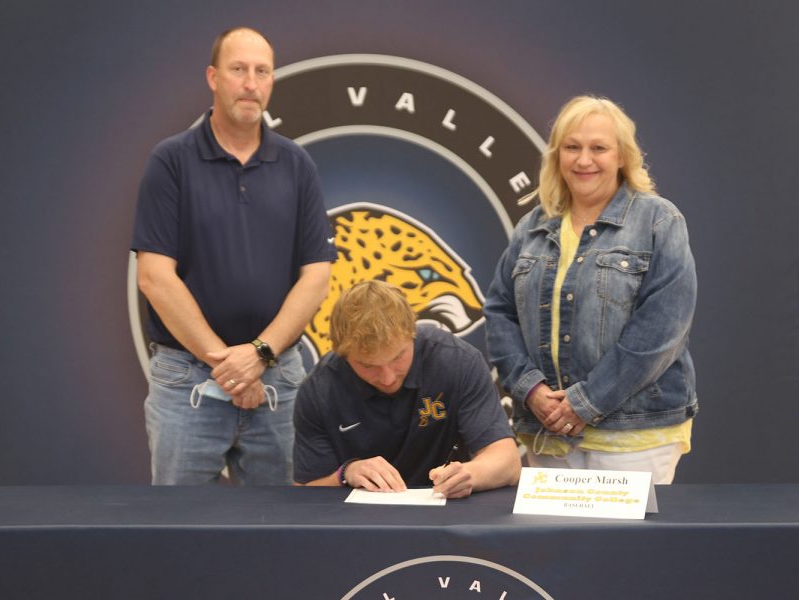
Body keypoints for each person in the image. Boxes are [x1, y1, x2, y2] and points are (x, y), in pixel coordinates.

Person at [131, 27, 336, 485]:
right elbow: (154, 277)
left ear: (271, 82)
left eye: (261, 72)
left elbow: (316, 277)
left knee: (285, 538)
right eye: (238, 69)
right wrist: (229, 365)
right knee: (178, 537)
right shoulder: (171, 161)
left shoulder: (296, 165)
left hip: (278, 382)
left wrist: (259, 356)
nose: (250, 83)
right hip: (187, 383)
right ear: (213, 77)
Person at [484, 95, 697, 484]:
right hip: (547, 434)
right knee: (553, 547)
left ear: (622, 157)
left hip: (633, 438)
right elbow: (499, 312)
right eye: (572, 148)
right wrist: (529, 389)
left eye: (598, 148)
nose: (584, 161)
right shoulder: (531, 227)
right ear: (557, 156)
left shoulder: (659, 221)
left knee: (625, 549)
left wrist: (586, 403)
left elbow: (661, 332)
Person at [294, 281, 521, 498]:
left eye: (398, 357)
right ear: (343, 354)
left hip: (446, 512)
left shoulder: (456, 361)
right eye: (368, 366)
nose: (388, 377)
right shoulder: (319, 390)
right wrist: (346, 473)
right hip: (357, 521)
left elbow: (508, 462)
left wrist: (470, 474)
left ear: (412, 333)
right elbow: (306, 490)